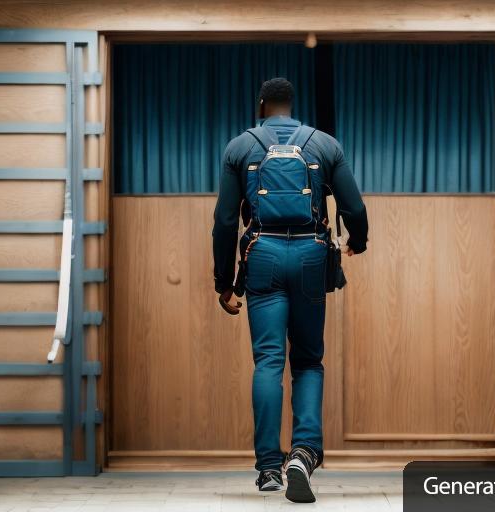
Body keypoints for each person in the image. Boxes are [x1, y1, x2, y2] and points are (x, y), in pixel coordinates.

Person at [212, 77, 368, 503]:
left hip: (261, 257)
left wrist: (223, 284)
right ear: (291, 106)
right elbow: (353, 206)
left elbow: (225, 222)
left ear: (262, 105)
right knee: (307, 361)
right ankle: (303, 454)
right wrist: (358, 239)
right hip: (311, 258)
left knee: (267, 362)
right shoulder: (324, 144)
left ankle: (267, 468)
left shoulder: (240, 147)